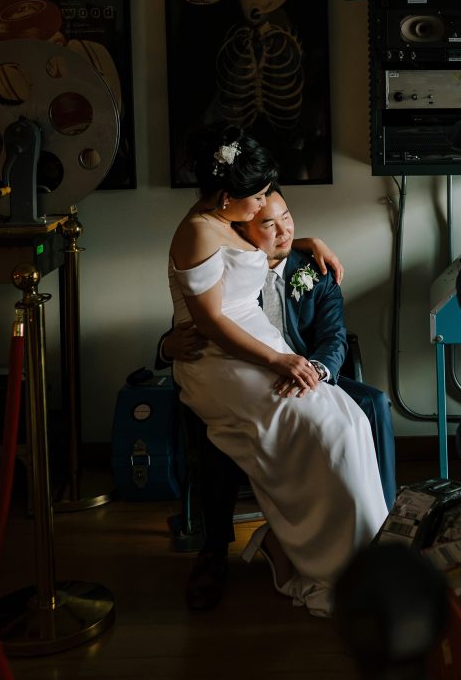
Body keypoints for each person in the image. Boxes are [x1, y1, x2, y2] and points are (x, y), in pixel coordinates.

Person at [166, 125, 388, 618]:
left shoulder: (226, 219)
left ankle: (363, 555)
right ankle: (304, 554)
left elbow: (255, 248)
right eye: (259, 197)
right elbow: (212, 323)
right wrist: (279, 360)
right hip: (219, 358)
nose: (265, 204)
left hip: (256, 347)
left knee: (347, 423)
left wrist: (307, 238)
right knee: (310, 425)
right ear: (228, 198)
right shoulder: (196, 231)